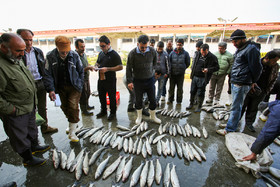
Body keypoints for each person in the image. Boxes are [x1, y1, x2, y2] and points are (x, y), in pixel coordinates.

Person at [0, 33, 50, 166]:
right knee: (20, 137)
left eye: (23, 50)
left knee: (31, 129)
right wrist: (11, 110)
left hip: (29, 106)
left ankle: (34, 147)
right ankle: (28, 158)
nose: (23, 53)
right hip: (17, 111)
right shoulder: (1, 66)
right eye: (18, 50)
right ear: (4, 48)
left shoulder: (15, 59)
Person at [216, 29, 262, 136]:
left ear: (243, 39)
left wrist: (253, 81)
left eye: (235, 41)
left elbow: (257, 68)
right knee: (235, 106)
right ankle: (232, 124)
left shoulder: (251, 50)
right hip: (236, 81)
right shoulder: (241, 49)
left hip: (241, 83)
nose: (234, 43)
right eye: (232, 41)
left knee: (236, 107)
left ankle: (230, 129)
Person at [17, 29, 58, 134]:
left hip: (40, 83)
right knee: (29, 110)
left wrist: (50, 89)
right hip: (25, 86)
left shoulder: (38, 52)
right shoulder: (17, 54)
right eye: (25, 40)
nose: (29, 43)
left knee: (42, 107)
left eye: (30, 40)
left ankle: (44, 127)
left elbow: (44, 72)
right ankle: (31, 133)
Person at [44, 35, 84, 142]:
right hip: (58, 88)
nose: (65, 53)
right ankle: (73, 124)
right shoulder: (50, 56)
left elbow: (81, 71)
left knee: (73, 106)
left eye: (67, 51)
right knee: (63, 106)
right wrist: (51, 89)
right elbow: (47, 74)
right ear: (57, 47)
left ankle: (72, 133)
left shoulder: (74, 55)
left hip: (74, 86)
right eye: (62, 51)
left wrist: (80, 84)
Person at [240, 50, 279, 132]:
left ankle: (249, 123)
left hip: (262, 91)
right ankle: (236, 120)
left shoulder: (275, 67)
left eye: (276, 61)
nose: (275, 63)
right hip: (249, 88)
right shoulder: (256, 63)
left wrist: (267, 91)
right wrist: (249, 84)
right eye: (274, 61)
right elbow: (247, 74)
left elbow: (274, 79)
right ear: (267, 58)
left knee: (254, 107)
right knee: (242, 105)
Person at [126, 35, 161, 125]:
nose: (144, 49)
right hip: (138, 80)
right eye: (142, 47)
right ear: (138, 44)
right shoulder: (132, 54)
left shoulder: (152, 51)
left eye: (146, 47)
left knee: (152, 99)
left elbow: (155, 63)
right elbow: (128, 68)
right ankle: (139, 116)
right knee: (138, 100)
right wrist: (129, 81)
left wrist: (153, 72)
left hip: (150, 80)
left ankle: (153, 116)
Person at [94, 35, 123, 120]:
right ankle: (103, 111)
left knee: (111, 97)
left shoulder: (114, 54)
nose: (102, 48)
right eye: (100, 46)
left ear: (108, 44)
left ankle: (113, 113)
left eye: (103, 46)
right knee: (101, 96)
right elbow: (98, 62)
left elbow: (120, 67)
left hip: (110, 80)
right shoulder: (101, 53)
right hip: (101, 79)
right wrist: (96, 66)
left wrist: (108, 69)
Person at [186, 44, 219, 112]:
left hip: (203, 78)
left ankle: (199, 106)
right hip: (195, 76)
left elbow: (217, 67)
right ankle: (191, 104)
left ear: (207, 50)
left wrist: (208, 70)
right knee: (192, 91)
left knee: (200, 93)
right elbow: (194, 63)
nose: (203, 54)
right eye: (202, 52)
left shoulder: (212, 57)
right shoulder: (198, 54)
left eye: (204, 52)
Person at [75, 39, 95, 116]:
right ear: (76, 47)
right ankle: (84, 110)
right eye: (81, 47)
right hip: (80, 79)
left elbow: (86, 63)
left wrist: (90, 66)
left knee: (88, 92)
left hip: (86, 77)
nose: (83, 48)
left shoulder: (83, 54)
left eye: (84, 46)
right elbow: (76, 70)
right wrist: (87, 68)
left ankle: (87, 106)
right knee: (83, 95)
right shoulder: (74, 56)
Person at [167, 39, 190, 105]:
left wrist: (182, 68)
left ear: (182, 45)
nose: (179, 46)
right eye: (177, 45)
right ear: (176, 44)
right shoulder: (172, 53)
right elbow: (169, 62)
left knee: (180, 89)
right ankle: (170, 99)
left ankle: (179, 101)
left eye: (180, 45)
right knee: (171, 88)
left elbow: (188, 63)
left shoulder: (186, 53)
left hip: (180, 74)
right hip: (173, 74)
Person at [155, 41, 170, 105]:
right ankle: (152, 100)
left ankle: (157, 101)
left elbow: (168, 65)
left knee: (160, 88)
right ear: (157, 47)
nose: (160, 49)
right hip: (154, 75)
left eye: (161, 48)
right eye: (159, 48)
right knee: (151, 87)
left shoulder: (165, 54)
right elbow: (150, 64)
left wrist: (167, 73)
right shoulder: (153, 53)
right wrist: (153, 72)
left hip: (162, 75)